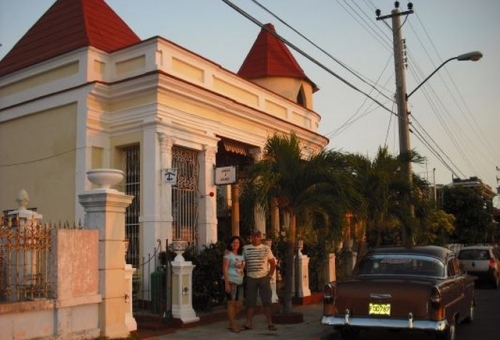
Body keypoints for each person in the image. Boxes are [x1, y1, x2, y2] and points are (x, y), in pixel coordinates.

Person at [242, 229, 277, 331]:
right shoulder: (245, 248)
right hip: (250, 278)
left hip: (263, 278)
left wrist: (270, 275)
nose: (256, 237)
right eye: (254, 235)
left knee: (266, 301)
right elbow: (242, 263)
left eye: (258, 235)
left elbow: (273, 263)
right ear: (251, 237)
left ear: (260, 237)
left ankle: (270, 322)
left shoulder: (266, 248)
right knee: (250, 301)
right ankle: (248, 322)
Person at [222, 236, 246, 333]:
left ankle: (231, 322)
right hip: (231, 281)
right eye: (234, 242)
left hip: (240, 281)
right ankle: (233, 324)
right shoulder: (228, 255)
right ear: (231, 244)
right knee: (231, 304)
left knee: (239, 304)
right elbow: (224, 269)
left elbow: (243, 266)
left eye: (238, 243)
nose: (236, 244)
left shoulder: (242, 254)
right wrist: (226, 284)